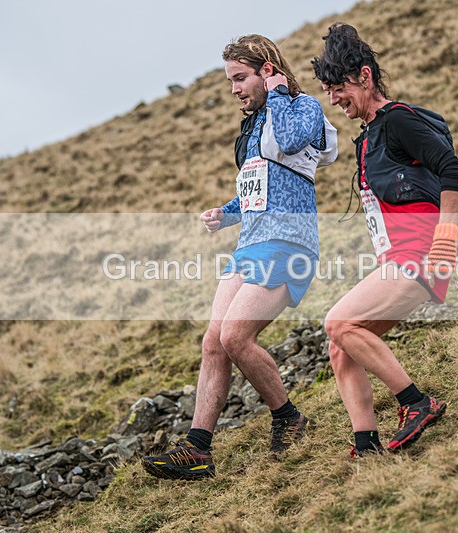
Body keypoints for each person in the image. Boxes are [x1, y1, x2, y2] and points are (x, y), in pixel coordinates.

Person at [143, 34, 337, 480]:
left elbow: (289, 143)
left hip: (288, 241)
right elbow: (256, 187)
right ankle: (198, 448)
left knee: (235, 337)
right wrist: (225, 213)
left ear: (266, 70)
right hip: (249, 243)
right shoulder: (252, 128)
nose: (233, 89)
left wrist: (280, 91)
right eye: (230, 80)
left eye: (240, 78)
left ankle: (289, 418)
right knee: (213, 342)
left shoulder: (300, 107)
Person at [312, 23, 458, 457]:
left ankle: (417, 403)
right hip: (396, 257)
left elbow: (452, 168)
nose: (335, 99)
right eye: (328, 91)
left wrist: (446, 238)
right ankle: (367, 446)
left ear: (365, 76)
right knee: (341, 347)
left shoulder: (397, 119)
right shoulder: (369, 137)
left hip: (422, 252)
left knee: (339, 322)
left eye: (339, 87)